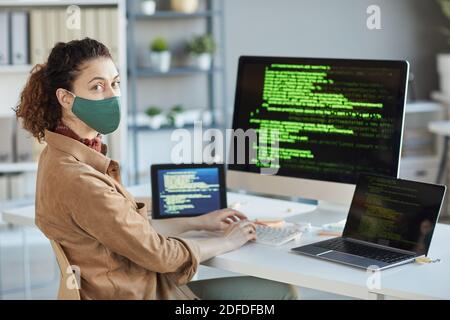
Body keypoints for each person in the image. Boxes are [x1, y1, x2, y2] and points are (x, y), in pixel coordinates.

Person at [14, 38, 298, 300]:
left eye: (115, 83)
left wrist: (198, 221)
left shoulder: (58, 156)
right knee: (280, 293)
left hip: (119, 291)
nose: (112, 95)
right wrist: (227, 241)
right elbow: (162, 255)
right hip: (142, 295)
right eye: (97, 87)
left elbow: (129, 231)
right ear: (65, 98)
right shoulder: (79, 179)